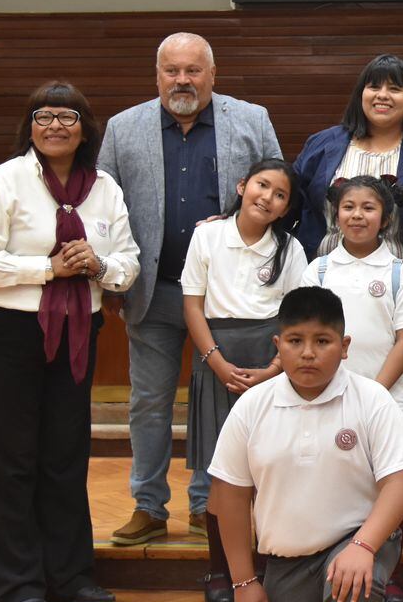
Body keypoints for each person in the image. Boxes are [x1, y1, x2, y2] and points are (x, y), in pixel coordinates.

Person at [0, 81, 140, 602]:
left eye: (68, 116)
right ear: (29, 127)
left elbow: (127, 260)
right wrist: (46, 269)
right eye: (44, 116)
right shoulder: (4, 180)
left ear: (85, 128)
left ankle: (69, 576)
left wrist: (97, 265)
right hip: (8, 334)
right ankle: (14, 587)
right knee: (11, 459)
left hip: (79, 331)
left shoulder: (104, 187)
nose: (55, 125)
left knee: (64, 454)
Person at [207, 287, 403, 602]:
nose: (308, 353)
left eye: (323, 341)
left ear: (345, 347)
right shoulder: (253, 406)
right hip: (288, 559)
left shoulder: (371, 400)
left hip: (359, 539)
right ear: (278, 346)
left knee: (349, 581)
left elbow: (400, 483)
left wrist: (364, 546)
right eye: (295, 341)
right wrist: (244, 581)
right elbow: (228, 497)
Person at [99, 32, 281, 548]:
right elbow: (103, 211)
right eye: (172, 71)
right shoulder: (122, 128)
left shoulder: (251, 119)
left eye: (193, 70)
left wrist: (230, 220)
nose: (183, 80)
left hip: (225, 295)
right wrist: (111, 279)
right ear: (157, 75)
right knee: (149, 403)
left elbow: (277, 191)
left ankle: (209, 504)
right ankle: (148, 505)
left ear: (212, 74)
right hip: (152, 291)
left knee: (216, 404)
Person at [182, 158, 307, 602]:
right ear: (242, 185)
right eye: (261, 185)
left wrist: (275, 369)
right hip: (218, 356)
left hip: (271, 362)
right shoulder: (207, 235)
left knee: (273, 469)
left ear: (285, 208)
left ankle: (271, 567)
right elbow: (193, 305)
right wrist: (215, 361)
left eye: (280, 195)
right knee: (223, 474)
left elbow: (296, 317)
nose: (267, 198)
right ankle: (223, 572)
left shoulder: (291, 249)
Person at [301, 175, 403, 602]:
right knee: (337, 481)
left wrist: (372, 393)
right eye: (349, 206)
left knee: (390, 485)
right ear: (336, 214)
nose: (358, 215)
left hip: (389, 401)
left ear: (386, 218)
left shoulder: (398, 274)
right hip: (327, 399)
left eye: (369, 207)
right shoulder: (316, 270)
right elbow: (305, 336)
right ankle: (330, 563)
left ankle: (385, 573)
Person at [291, 54, 403, 312]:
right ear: (361, 95)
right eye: (374, 87)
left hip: (396, 289)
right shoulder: (322, 145)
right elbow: (288, 201)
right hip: (320, 284)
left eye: (394, 88)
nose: (382, 95)